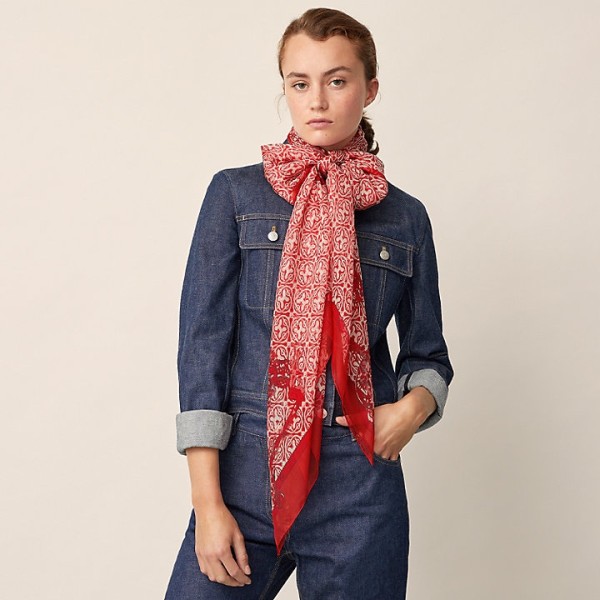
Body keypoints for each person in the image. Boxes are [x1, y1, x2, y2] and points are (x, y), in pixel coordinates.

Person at [164, 7, 453, 599]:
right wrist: (207, 503)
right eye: (300, 83)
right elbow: (202, 351)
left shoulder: (405, 217)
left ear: (370, 89)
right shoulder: (235, 195)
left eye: (337, 80)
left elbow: (428, 355)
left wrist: (410, 411)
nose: (317, 100)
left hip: (359, 489)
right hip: (244, 477)